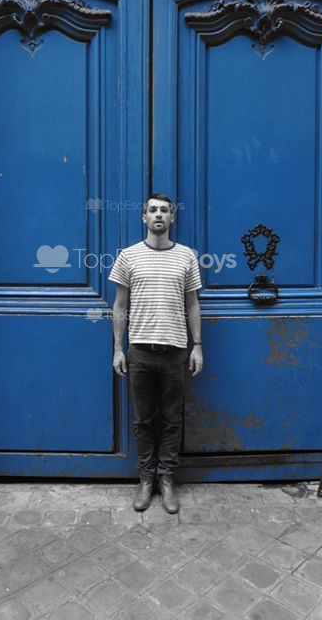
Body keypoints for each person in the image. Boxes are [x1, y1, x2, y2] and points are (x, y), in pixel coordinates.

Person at [108, 194, 203, 513]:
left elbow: (193, 304)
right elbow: (120, 305)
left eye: (164, 210)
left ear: (172, 218)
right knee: (143, 420)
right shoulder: (128, 256)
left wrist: (197, 345)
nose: (158, 214)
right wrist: (118, 349)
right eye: (153, 210)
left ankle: (167, 478)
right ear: (144, 218)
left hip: (175, 351)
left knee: (173, 419)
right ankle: (146, 478)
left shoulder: (186, 256)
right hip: (140, 352)